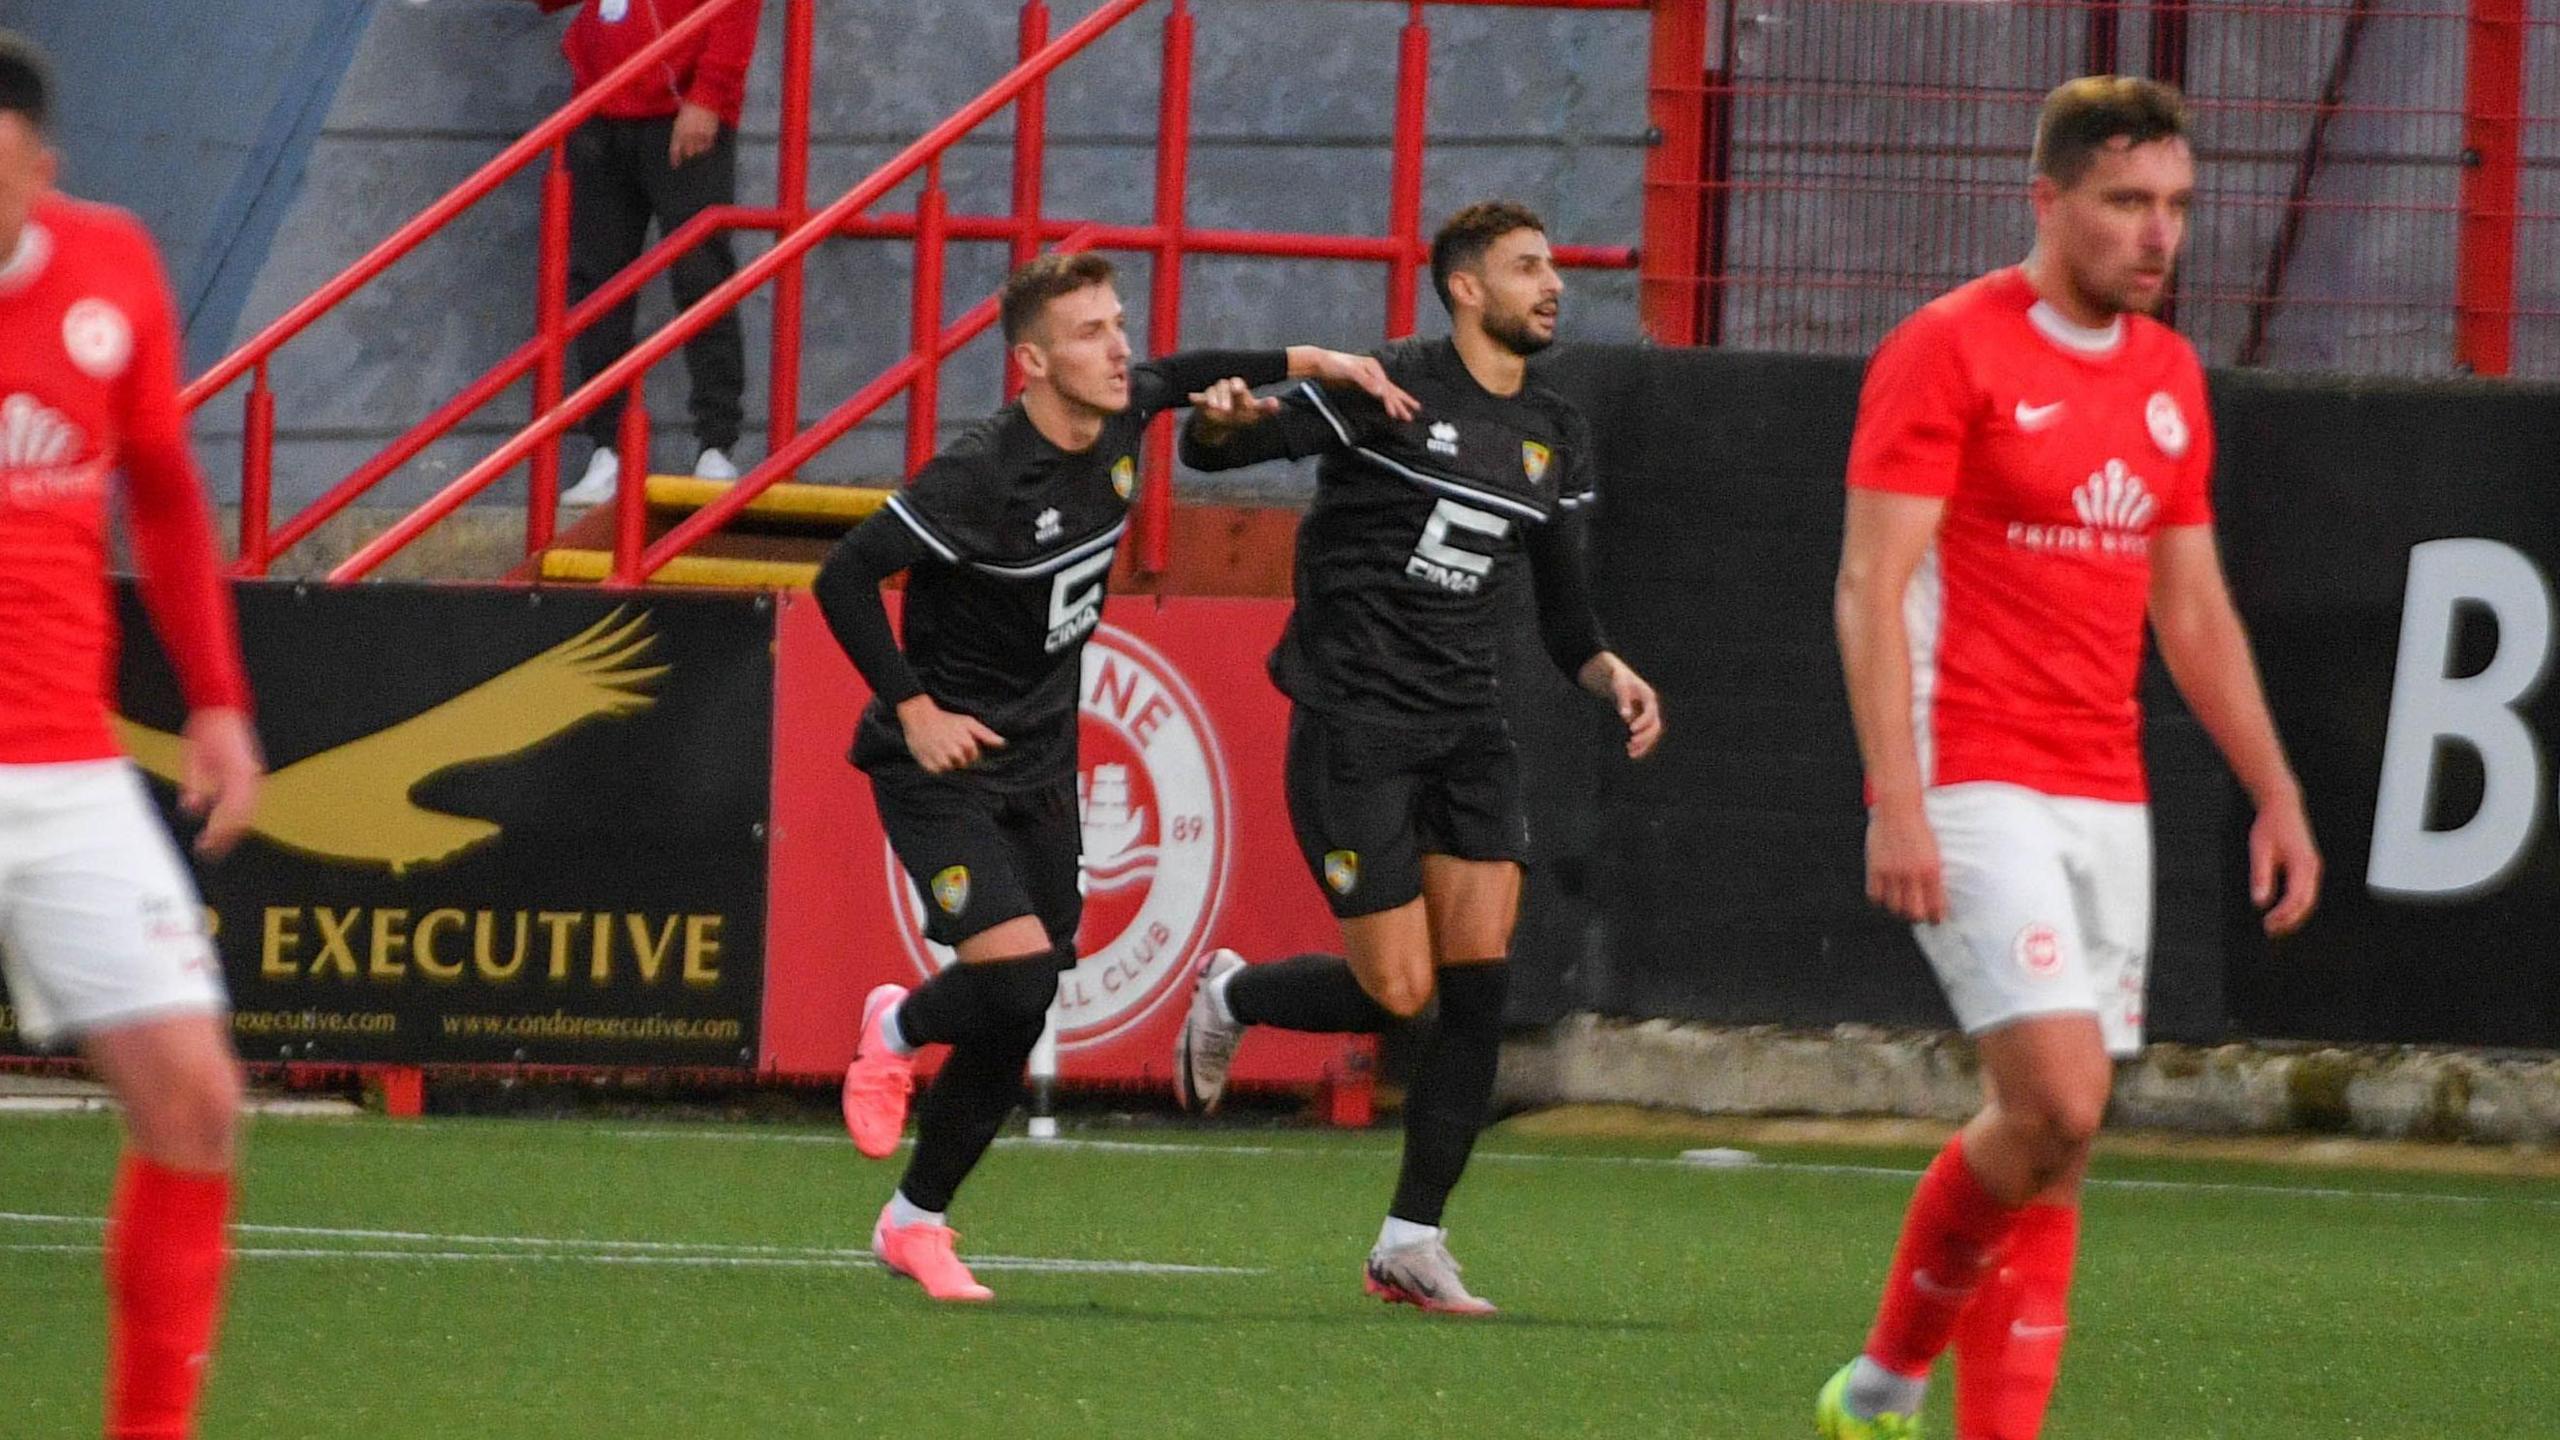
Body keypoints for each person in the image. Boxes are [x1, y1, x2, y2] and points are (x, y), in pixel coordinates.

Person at [1815, 77, 2321, 1439]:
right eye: (2126, 204)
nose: (2158, 235)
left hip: (2107, 790)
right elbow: (1874, 584)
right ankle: (1894, 1377)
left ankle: (1887, 1387)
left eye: (2175, 208)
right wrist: (1897, 801)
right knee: (2057, 1092)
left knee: (2062, 1142)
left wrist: (2274, 789)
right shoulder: (1948, 349)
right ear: (2047, 202)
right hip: (1970, 773)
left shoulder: (2165, 376)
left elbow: (2192, 606)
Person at [816, 250, 1416, 1302]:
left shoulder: (1126, 410)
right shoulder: (978, 474)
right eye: (1091, 332)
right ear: (1030, 364)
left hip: (1044, 761)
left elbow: (1189, 372)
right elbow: (844, 577)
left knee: (1023, 1002)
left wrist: (1319, 359)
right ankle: (895, 1028)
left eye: (1117, 322)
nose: (1118, 347)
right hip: (942, 762)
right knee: (1009, 978)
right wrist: (914, 709)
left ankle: (916, 1221)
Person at [1167, 201, 1664, 1316]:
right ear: (1465, 289)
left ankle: (1411, 1241)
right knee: (1400, 993)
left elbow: (1563, 617)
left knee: (1481, 984)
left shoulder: (1552, 427)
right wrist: (1222, 420)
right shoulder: (1384, 386)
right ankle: (1235, 992)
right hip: (1354, 727)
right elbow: (1224, 444)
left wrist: (1610, 673)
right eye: (1526, 268)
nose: (1553, 285)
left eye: (1553, 266)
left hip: (1468, 732)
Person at [0, 32, 265, 1440]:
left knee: (196, 1105)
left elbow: (159, 491)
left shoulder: (112, 268)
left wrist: (216, 697)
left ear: (41, 178)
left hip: (60, 769)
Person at [530, 0, 763, 505]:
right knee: (598, 284)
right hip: (600, 108)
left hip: (683, 109)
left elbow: (737, 8)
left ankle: (716, 445)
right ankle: (606, 449)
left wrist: (709, 96)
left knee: (701, 272)